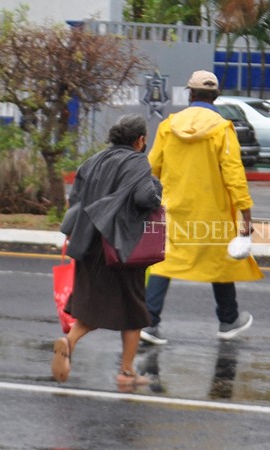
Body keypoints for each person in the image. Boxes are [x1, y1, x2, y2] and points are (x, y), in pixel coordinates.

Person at [141, 70, 264, 345]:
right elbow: (234, 174)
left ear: (190, 94)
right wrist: (245, 214)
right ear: (216, 96)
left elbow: (152, 168)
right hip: (213, 212)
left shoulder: (168, 126)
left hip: (173, 208)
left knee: (166, 260)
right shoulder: (222, 128)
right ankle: (228, 320)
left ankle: (149, 322)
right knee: (220, 261)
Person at [51, 114, 162, 387]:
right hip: (120, 245)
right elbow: (144, 197)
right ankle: (126, 373)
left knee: (97, 304)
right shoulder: (137, 161)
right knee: (134, 308)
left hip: (89, 242)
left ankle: (69, 341)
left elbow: (75, 200)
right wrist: (156, 186)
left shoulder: (93, 160)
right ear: (139, 140)